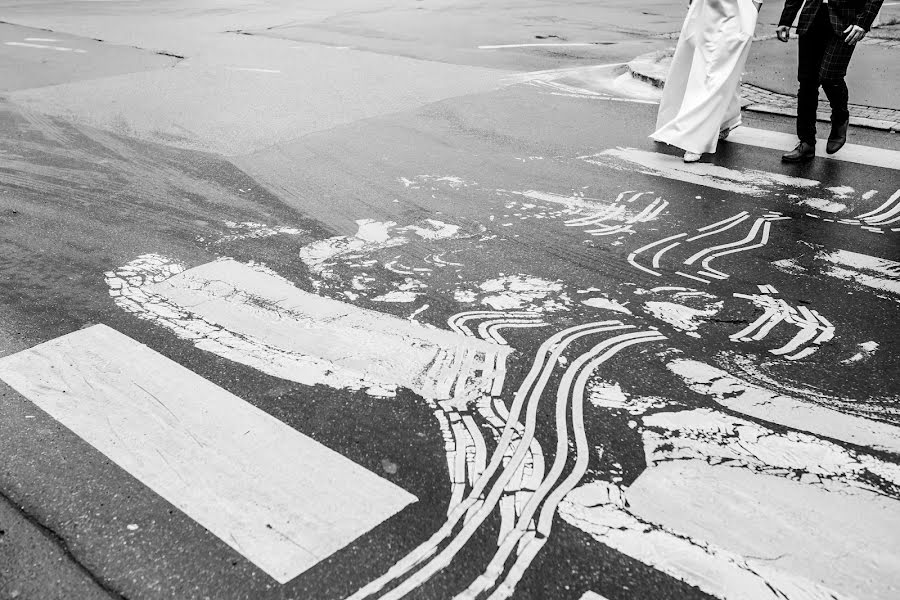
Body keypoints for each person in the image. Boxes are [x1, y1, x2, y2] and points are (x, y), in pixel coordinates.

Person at [651, 0, 763, 163]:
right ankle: (724, 120)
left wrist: (756, 6)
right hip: (705, 10)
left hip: (735, 13)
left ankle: (696, 140)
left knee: (718, 71)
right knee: (695, 67)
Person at [778, 0, 885, 162]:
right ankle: (806, 143)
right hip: (812, 16)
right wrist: (786, 20)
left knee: (830, 77)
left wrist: (863, 22)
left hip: (846, 21)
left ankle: (840, 117)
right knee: (807, 83)